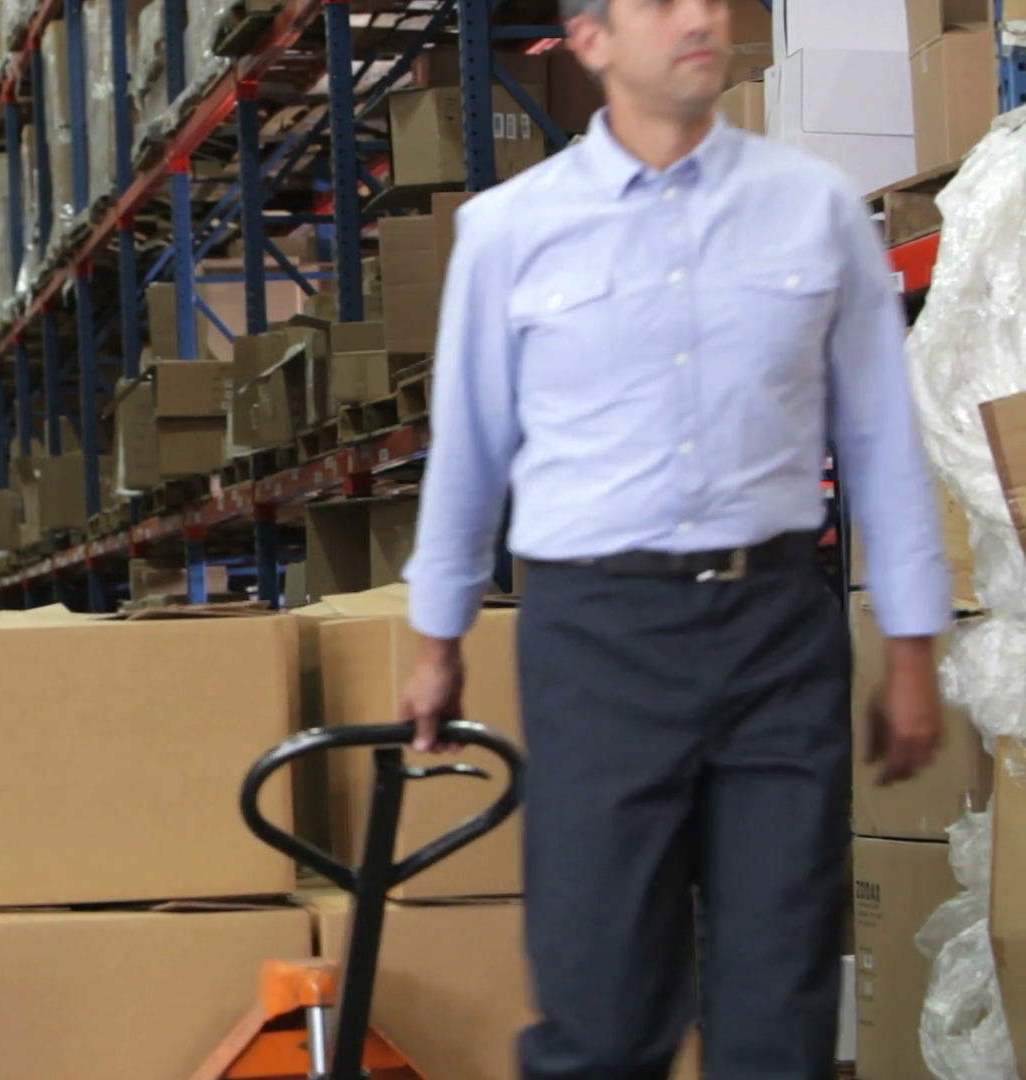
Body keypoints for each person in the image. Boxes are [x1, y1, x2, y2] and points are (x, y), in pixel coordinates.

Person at [398, 0, 951, 1074]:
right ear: (590, 40)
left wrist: (913, 647)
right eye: (660, 3)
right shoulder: (512, 230)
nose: (698, 17)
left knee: (780, 998)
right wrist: (437, 641)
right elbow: (469, 444)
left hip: (778, 632)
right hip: (596, 640)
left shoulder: (814, 208)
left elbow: (883, 434)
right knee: (601, 1004)